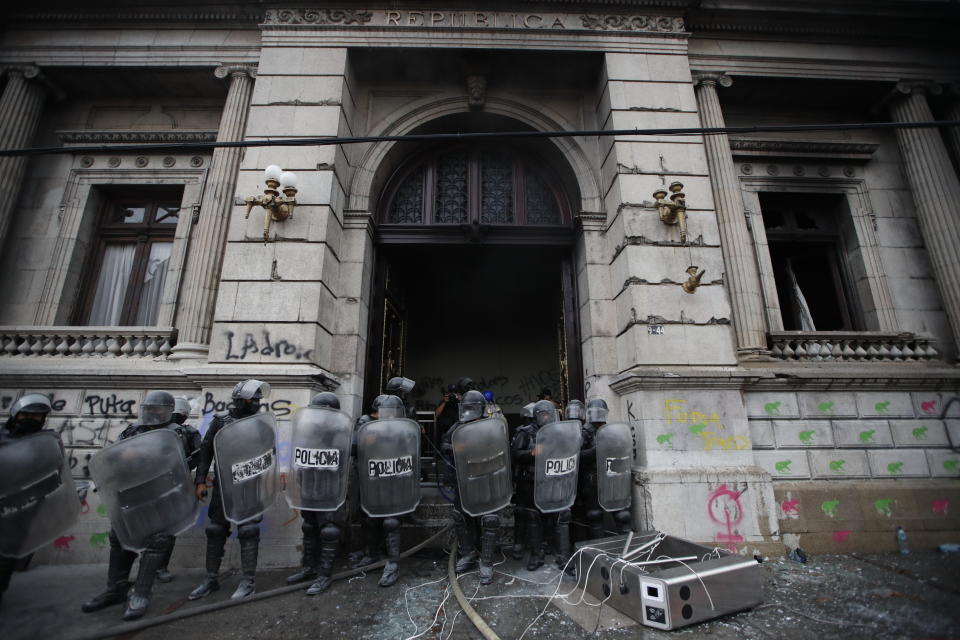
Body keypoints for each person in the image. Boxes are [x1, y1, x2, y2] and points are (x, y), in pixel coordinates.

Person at [82, 391, 197, 620]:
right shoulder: (133, 431)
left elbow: (195, 459)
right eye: (150, 409)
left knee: (158, 541)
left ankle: (141, 594)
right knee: (120, 538)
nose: (153, 413)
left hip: (163, 494)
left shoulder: (183, 433)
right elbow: (112, 458)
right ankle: (115, 589)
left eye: (158, 409)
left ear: (168, 410)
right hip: (131, 493)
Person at [188, 380, 271, 601]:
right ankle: (210, 577)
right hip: (224, 484)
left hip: (249, 484)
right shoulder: (220, 422)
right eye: (252, 398)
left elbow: (269, 453)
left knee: (248, 530)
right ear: (239, 398)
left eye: (257, 399)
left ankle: (248, 581)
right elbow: (206, 452)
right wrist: (200, 481)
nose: (256, 402)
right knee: (215, 529)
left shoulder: (260, 424)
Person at [286, 392, 354, 595]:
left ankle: (324, 574)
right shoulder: (307, 429)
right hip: (309, 484)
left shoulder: (343, 430)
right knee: (309, 527)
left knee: (329, 530)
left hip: (331, 487)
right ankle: (309, 568)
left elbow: (356, 448)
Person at [442, 390, 509, 585]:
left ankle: (486, 562)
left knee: (489, 519)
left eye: (473, 408)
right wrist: (456, 448)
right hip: (464, 480)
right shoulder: (458, 426)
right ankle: (468, 553)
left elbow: (502, 447)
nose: (470, 411)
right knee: (460, 516)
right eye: (467, 408)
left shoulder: (491, 425)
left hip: (487, 478)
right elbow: (445, 443)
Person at [354, 394, 419, 587]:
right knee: (369, 518)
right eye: (386, 412)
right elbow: (353, 447)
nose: (390, 415)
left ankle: (392, 563)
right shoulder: (366, 423)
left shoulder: (403, 425)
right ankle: (371, 553)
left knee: (391, 521)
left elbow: (412, 449)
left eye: (394, 412)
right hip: (372, 480)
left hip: (394, 479)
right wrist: (366, 438)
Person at [1, 394, 55, 608]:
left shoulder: (45, 442)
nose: (32, 419)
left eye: (37, 416)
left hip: (22, 509)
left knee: (6, 557)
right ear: (16, 414)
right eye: (27, 414)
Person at [154, 396, 202, 584]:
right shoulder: (149, 430)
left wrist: (182, 467)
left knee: (167, 528)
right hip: (147, 485)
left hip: (174, 484)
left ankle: (160, 566)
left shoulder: (188, 433)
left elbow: (198, 456)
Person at [578, 399, 632, 539]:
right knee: (595, 515)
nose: (598, 416)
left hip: (613, 476)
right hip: (593, 478)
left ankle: (627, 549)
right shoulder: (585, 432)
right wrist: (597, 451)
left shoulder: (611, 430)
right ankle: (600, 551)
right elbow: (577, 456)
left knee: (622, 514)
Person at [509, 402, 536, 561]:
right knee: (521, 511)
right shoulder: (522, 433)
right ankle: (518, 544)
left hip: (538, 478)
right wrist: (532, 453)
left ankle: (537, 545)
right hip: (524, 476)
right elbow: (516, 454)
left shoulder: (543, 431)